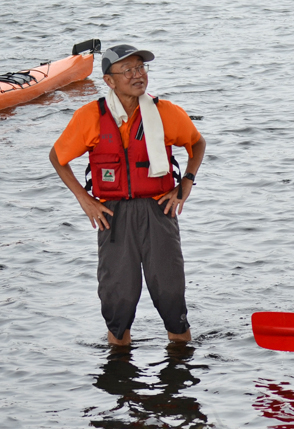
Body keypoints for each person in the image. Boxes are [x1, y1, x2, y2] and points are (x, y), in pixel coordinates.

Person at [49, 44, 206, 346]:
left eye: (141, 68)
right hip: (113, 216)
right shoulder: (90, 117)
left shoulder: (166, 112)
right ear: (109, 81)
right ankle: (120, 369)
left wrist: (185, 184)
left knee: (170, 295)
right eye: (129, 70)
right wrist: (85, 200)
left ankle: (180, 361)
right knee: (118, 300)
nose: (138, 75)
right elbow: (58, 157)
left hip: (159, 212)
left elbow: (197, 144)